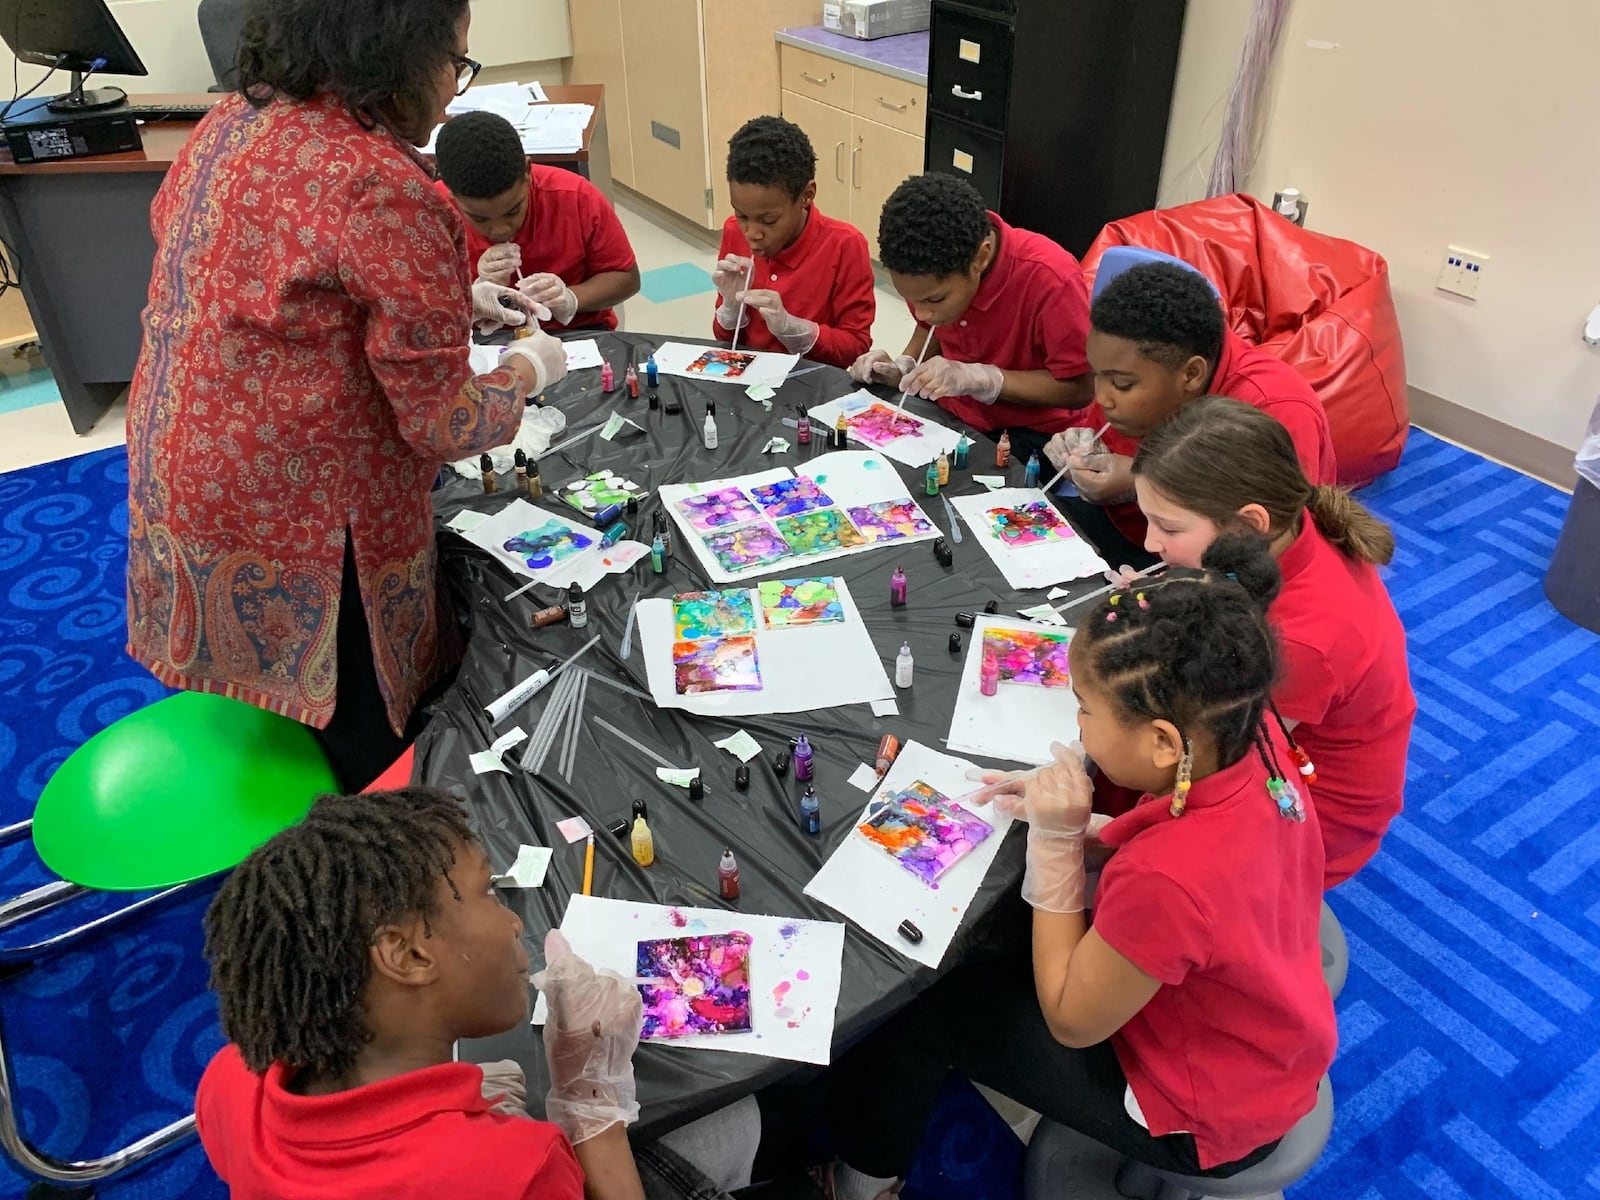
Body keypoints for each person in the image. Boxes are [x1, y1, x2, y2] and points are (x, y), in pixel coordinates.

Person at [126, 0, 570, 792]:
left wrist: (447, 300)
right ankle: (368, 867)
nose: (454, 87)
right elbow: (443, 421)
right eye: (453, 61)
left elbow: (280, 295)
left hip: (182, 484)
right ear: (395, 52)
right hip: (307, 533)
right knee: (374, 755)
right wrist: (530, 369)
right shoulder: (383, 185)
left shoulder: (233, 123)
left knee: (293, 732)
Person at [818, 535, 1335, 1200]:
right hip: (1271, 1032)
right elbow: (1181, 848)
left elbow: (1071, 1018)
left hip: (1202, 1111)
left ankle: (861, 1181)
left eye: (1085, 710)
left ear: (1163, 743)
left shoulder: (1169, 882)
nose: (1077, 725)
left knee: (919, 1009)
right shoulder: (1252, 741)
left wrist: (1062, 840)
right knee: (990, 943)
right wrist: (1075, 825)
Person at [197, 788, 761, 1199]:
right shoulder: (515, 1172)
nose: (515, 923)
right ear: (409, 955)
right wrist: (591, 1107)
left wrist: (434, 1100)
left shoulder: (228, 1082)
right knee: (737, 1123)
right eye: (489, 893)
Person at [1133, 395, 1414, 886]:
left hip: (1312, 818)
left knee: (1137, 853)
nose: (1149, 544)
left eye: (1168, 527)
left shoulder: (1301, 642)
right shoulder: (1287, 533)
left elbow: (1214, 763)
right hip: (1284, 745)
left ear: (1246, 525)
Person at [1042, 260, 1335, 557]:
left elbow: (1272, 544)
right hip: (1126, 527)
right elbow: (1104, 440)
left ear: (1192, 374)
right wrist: (1081, 450)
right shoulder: (1141, 369)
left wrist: (1139, 481)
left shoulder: (1274, 409)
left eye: (1121, 384)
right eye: (1096, 374)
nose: (1102, 398)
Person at [848, 173, 1092, 457]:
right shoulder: (930, 275)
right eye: (912, 299)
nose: (923, 312)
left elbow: (1082, 389)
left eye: (934, 299)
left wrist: (987, 379)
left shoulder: (1051, 280)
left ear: (981, 258)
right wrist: (905, 367)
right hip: (952, 413)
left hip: (1032, 436)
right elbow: (930, 328)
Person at [436, 110, 640, 333]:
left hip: (574, 332)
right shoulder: (433, 212)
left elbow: (626, 278)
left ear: (527, 172)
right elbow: (419, 303)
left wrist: (571, 299)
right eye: (479, 218)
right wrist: (473, 293)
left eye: (513, 210)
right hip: (484, 339)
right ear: (451, 192)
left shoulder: (576, 197)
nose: (501, 230)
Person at [710, 116, 875, 368]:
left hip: (814, 388)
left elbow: (856, 347)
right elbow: (724, 340)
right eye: (742, 215)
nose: (752, 232)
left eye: (768, 220)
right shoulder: (734, 231)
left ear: (807, 195)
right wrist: (731, 308)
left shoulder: (845, 245)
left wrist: (794, 329)